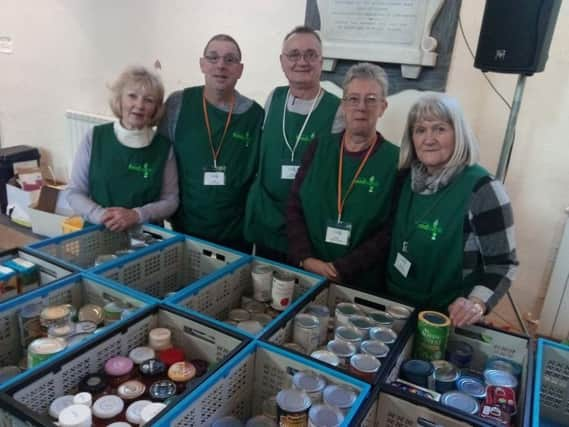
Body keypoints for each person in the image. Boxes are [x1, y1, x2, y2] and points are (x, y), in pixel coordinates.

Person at [386, 93, 518, 327]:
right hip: (395, 307)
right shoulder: (405, 178)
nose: (428, 139)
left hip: (446, 319)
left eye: (439, 129)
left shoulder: (484, 189)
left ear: (459, 134)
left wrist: (476, 304)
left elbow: (503, 264)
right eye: (420, 130)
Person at [287, 63, 399, 292]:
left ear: (383, 107)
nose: (361, 107)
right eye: (353, 98)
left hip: (360, 285)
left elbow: (391, 230)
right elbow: (293, 206)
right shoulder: (319, 146)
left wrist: (343, 268)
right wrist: (305, 258)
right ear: (343, 104)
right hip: (306, 273)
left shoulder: (396, 161)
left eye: (371, 99)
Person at [244, 26, 342, 262]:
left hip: (306, 226)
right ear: (282, 61)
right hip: (266, 218)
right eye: (294, 55)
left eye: (310, 54)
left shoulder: (337, 109)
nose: (302, 62)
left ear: (321, 61)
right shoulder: (274, 98)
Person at [159, 34, 263, 252]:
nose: (221, 66)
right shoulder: (178, 104)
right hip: (184, 229)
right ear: (202, 64)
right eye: (213, 58)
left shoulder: (255, 116)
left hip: (235, 234)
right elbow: (160, 162)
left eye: (230, 59)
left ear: (240, 69)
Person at [67, 66, 178, 231]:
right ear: (119, 100)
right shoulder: (95, 137)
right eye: (132, 96)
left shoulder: (164, 148)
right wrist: (102, 215)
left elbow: (170, 200)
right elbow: (74, 192)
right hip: (98, 232)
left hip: (147, 237)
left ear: (156, 108)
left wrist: (137, 215)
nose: (139, 105)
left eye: (148, 100)